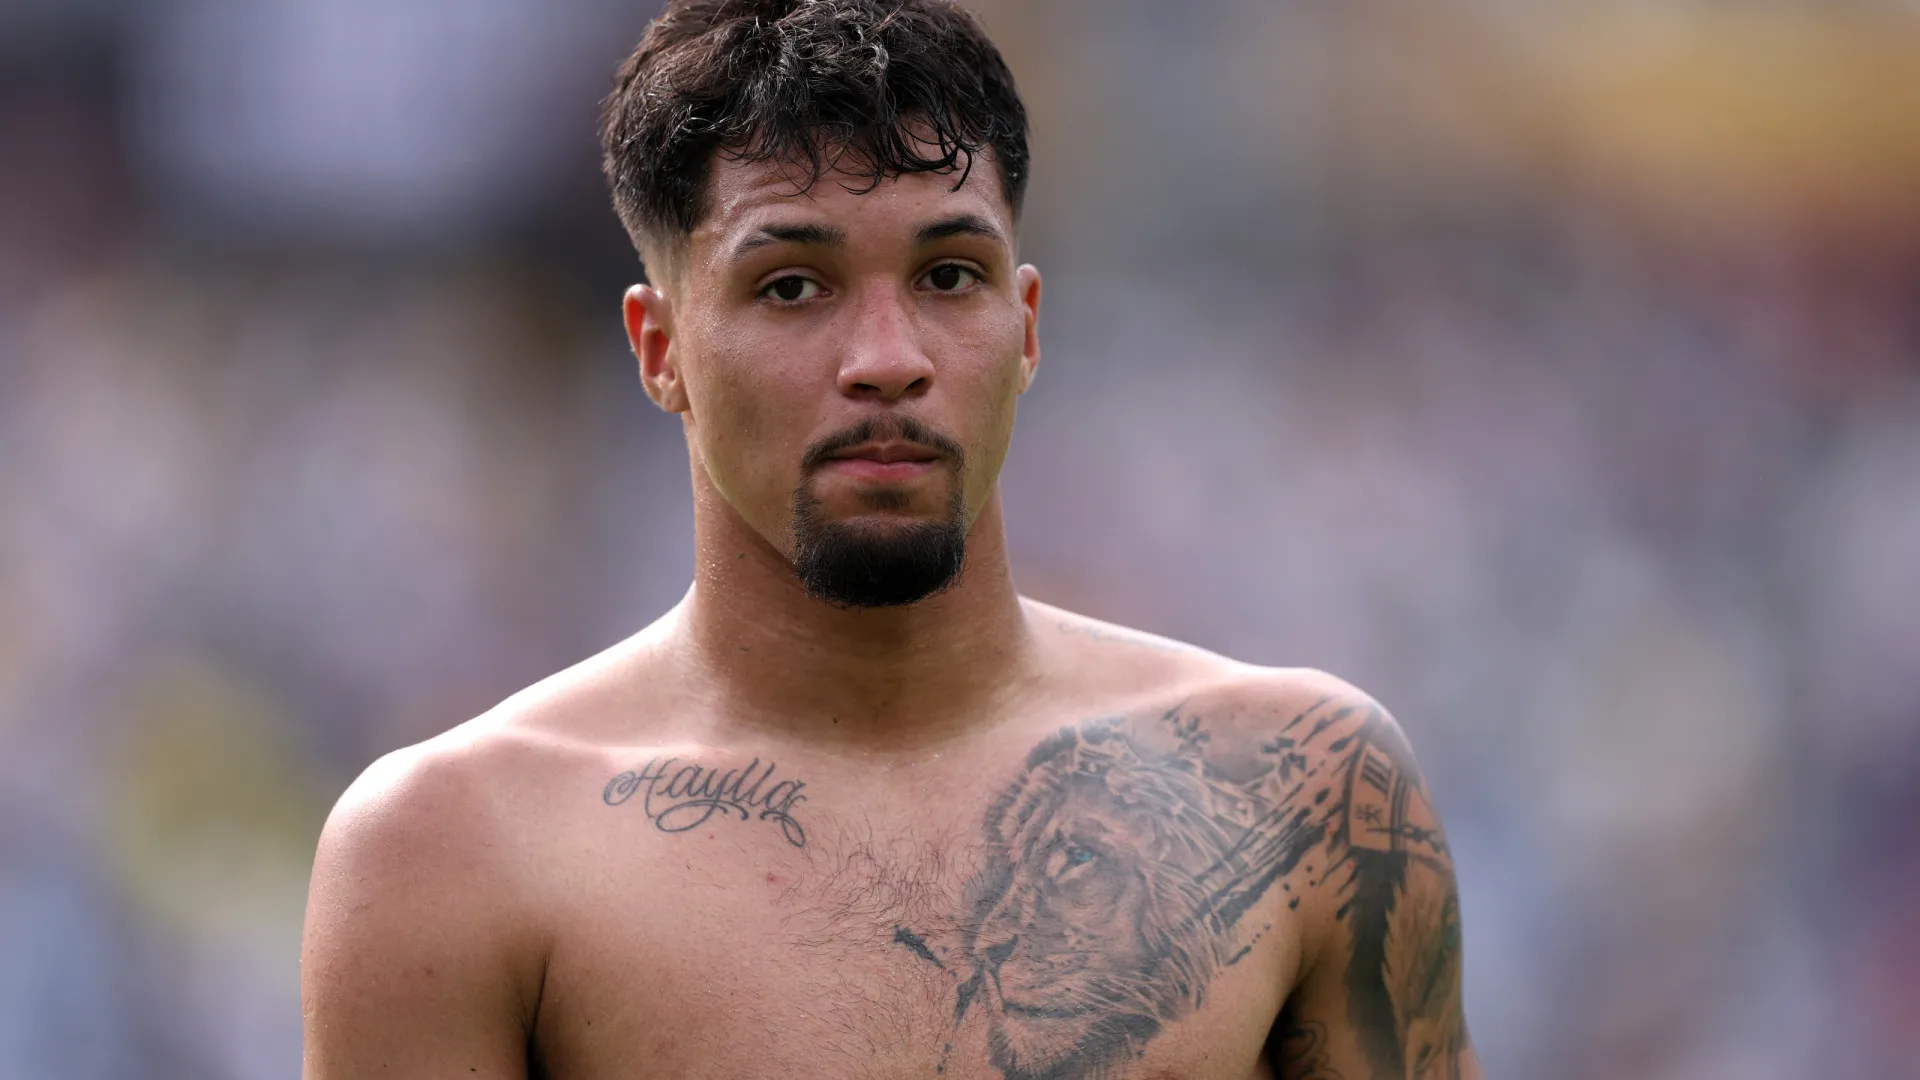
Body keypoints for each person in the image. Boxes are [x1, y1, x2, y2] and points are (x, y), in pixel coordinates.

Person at [299, 2, 1483, 1077]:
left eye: (949, 275)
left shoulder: (1299, 794)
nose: (887, 359)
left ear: (1025, 327)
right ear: (660, 350)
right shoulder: (457, 853)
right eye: (792, 287)